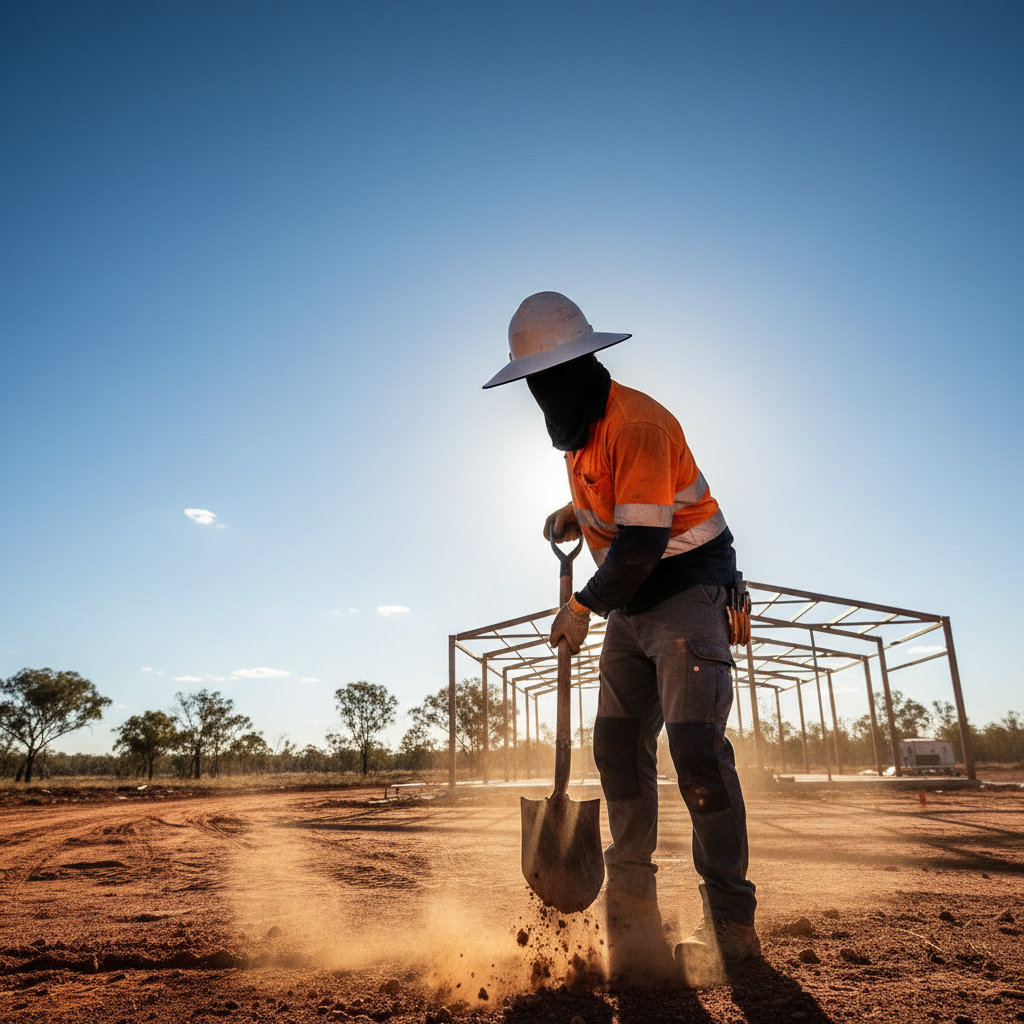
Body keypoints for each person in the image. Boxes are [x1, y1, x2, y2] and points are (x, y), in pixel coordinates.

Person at [484, 291, 758, 986]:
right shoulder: (581, 433)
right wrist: (576, 512)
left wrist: (581, 606)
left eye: (548, 377)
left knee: (696, 753)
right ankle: (634, 913)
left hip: (687, 592)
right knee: (615, 748)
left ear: (581, 365)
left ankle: (730, 921)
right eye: (532, 381)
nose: (541, 393)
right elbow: (620, 501)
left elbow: (641, 543)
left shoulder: (635, 421)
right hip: (631, 603)